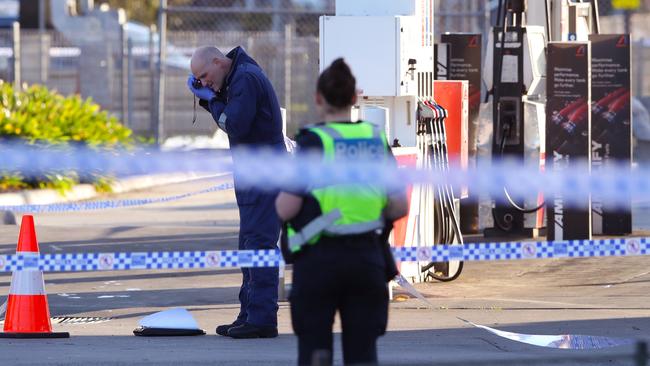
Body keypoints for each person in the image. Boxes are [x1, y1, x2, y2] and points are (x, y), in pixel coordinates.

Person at [275, 58, 408, 365]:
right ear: (354, 98)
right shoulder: (375, 140)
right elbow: (399, 205)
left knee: (316, 352)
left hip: (318, 264)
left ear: (318, 98)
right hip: (367, 260)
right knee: (362, 354)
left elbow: (286, 206)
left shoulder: (312, 142)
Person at [187, 46, 285, 339]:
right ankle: (249, 315)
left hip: (263, 176)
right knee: (249, 245)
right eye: (199, 80)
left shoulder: (244, 78)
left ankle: (262, 319)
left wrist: (212, 101)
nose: (203, 83)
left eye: (204, 76)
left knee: (258, 244)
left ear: (219, 61)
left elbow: (235, 125)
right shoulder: (237, 77)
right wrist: (212, 97)